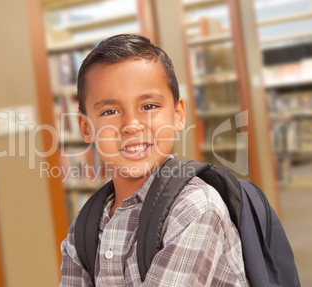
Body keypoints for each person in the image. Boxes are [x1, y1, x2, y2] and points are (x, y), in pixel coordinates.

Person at [59, 34, 248, 286]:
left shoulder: (194, 207)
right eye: (110, 111)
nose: (131, 125)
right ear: (85, 127)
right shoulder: (84, 224)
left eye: (148, 106)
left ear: (178, 114)